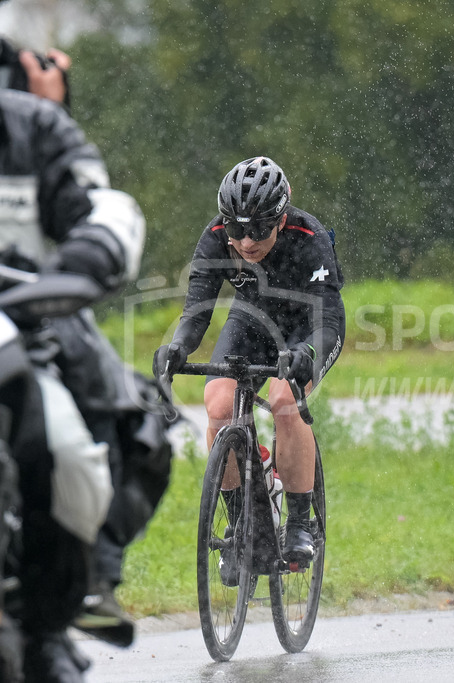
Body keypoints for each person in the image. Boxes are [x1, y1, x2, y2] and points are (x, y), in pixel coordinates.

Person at [0, 86, 146, 680]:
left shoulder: (30, 126)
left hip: (20, 327)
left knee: (72, 445)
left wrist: (92, 251)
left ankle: (49, 623)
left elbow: (102, 203)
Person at [154, 156, 344, 564]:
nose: (246, 241)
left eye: (258, 228)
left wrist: (307, 355)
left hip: (307, 328)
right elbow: (196, 312)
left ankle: (297, 523)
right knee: (219, 407)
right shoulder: (215, 237)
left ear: (280, 218)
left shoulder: (308, 237)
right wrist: (177, 349)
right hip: (252, 320)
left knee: (283, 402)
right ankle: (242, 523)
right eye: (237, 229)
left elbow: (326, 319)